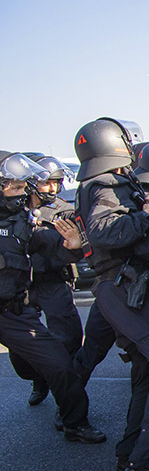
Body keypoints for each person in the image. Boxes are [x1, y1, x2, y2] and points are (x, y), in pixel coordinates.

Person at [74, 118, 149, 471]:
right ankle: (145, 462)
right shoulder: (105, 184)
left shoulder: (105, 183)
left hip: (128, 288)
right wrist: (147, 214)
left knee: (147, 371)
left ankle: (133, 454)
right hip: (126, 288)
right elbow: (106, 230)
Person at [0, 152, 103, 443]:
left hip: (12, 311)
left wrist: (71, 246)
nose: (22, 195)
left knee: (59, 363)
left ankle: (74, 423)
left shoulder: (23, 221)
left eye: (24, 188)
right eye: (16, 188)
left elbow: (47, 243)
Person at [8, 155, 83, 407]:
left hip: (53, 279)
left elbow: (72, 246)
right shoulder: (15, 209)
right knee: (22, 347)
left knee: (69, 337)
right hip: (23, 285)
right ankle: (38, 380)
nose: (52, 188)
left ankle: (65, 397)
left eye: (57, 182)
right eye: (47, 182)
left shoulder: (63, 210)